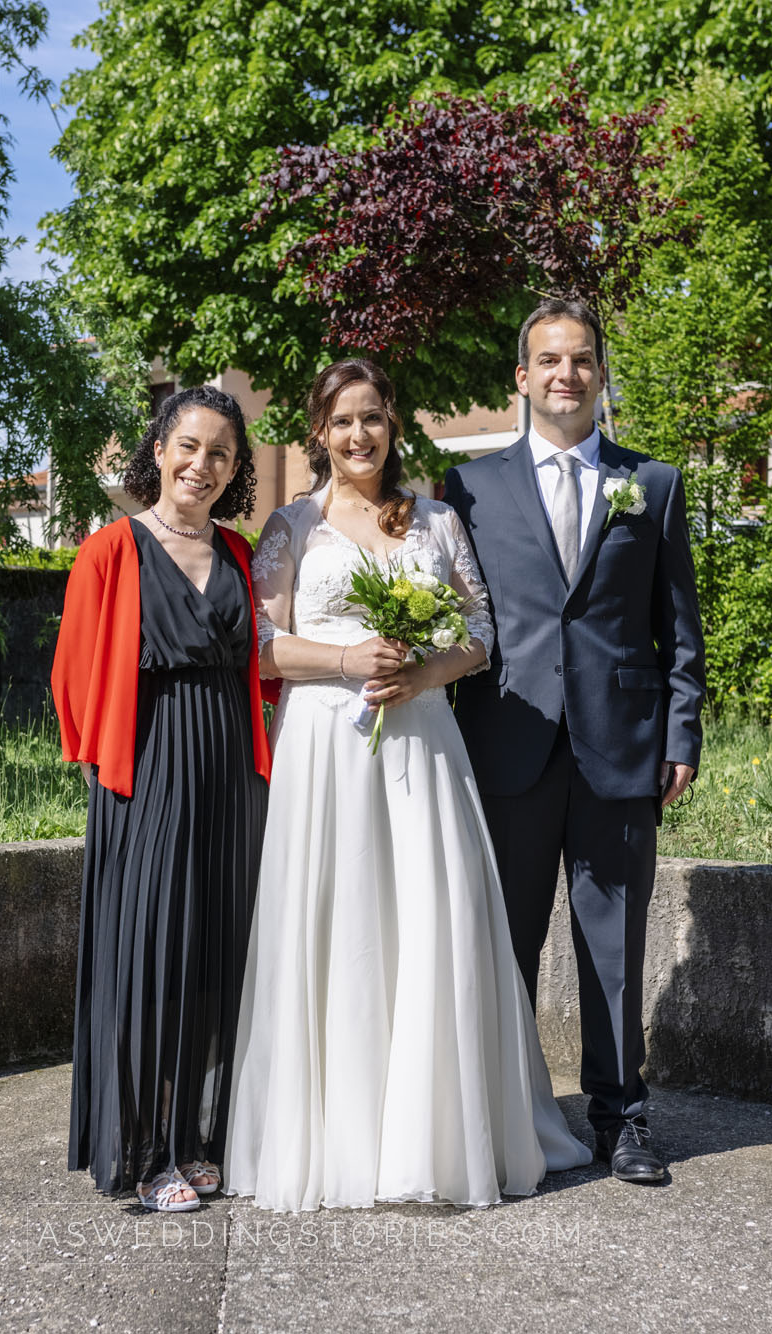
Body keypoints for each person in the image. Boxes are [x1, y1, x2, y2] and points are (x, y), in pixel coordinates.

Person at [223, 357, 592, 1212]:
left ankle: (434, 1133)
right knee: (337, 923)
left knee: (431, 918)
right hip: (323, 747)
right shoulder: (291, 527)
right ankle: (335, 1135)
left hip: (423, 743)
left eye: (374, 418)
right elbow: (262, 644)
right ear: (319, 432)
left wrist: (426, 673)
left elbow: (481, 630)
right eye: (343, 421)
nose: (360, 436)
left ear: (394, 425)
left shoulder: (433, 520)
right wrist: (348, 659)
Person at [443, 298, 706, 1186]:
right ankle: (506, 1110)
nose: (566, 374)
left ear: (600, 374)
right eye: (549, 361)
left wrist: (682, 732)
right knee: (504, 941)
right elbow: (458, 614)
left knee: (613, 948)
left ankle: (621, 1117)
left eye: (582, 360)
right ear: (521, 378)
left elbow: (679, 628)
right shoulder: (469, 487)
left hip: (620, 746)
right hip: (507, 740)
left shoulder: (655, 484)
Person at [51, 385, 272, 1212]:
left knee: (215, 954)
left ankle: (196, 1140)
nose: (201, 465)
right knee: (151, 958)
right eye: (188, 446)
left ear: (233, 468)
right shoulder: (111, 549)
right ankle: (142, 1155)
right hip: (145, 772)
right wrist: (110, 788)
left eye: (220, 452)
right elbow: (72, 679)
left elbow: (261, 666)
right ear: (159, 450)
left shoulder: (241, 554)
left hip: (228, 773)